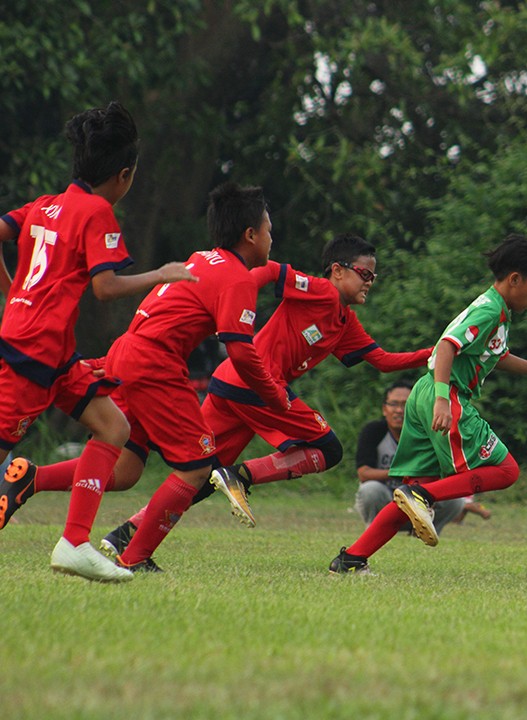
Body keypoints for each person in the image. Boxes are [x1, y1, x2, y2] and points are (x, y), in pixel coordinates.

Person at [82, 234, 432, 561]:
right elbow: (268, 270)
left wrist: (436, 354)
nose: (371, 281)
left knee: (198, 476)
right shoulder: (321, 290)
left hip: (230, 386)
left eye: (374, 275)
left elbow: (384, 361)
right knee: (329, 449)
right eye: (365, 273)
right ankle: (242, 476)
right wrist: (235, 298)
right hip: (256, 384)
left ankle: (126, 536)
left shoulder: (344, 321)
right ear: (338, 272)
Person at [0, 102, 195, 582]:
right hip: (33, 354)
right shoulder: (97, 212)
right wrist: (162, 274)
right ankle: (74, 540)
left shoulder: (45, 204)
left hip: (54, 352)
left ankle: (74, 542)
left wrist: (12, 294)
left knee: (114, 428)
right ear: (124, 175)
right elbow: (106, 287)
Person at [328, 233, 527, 574]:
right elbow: (446, 346)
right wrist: (443, 401)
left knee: (412, 491)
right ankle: (424, 498)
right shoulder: (490, 310)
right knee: (505, 471)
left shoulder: (497, 311)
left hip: (424, 393)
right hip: (443, 393)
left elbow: (496, 356)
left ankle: (351, 558)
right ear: (515, 279)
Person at [100, 182, 289, 572]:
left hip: (127, 351)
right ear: (250, 234)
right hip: (154, 364)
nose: (272, 237)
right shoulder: (237, 278)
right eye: (269, 229)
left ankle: (31, 479)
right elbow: (240, 351)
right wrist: (272, 394)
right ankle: (135, 558)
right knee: (198, 465)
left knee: (123, 470)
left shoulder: (202, 258)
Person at [354, 379, 466, 535]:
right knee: (370, 489)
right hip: (386, 499)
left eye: (405, 404)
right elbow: (364, 473)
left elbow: (445, 472)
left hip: (422, 502)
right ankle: (374, 532)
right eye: (393, 404)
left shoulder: (430, 432)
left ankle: (425, 534)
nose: (399, 410)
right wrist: (403, 473)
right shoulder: (374, 431)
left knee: (457, 499)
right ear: (384, 409)